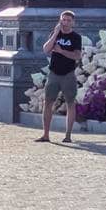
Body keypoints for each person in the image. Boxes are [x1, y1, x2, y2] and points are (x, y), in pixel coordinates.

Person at [36, 10, 82, 145]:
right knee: (48, 103)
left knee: (70, 103)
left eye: (68, 20)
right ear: (60, 20)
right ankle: (45, 134)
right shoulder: (55, 34)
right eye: (63, 20)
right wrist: (56, 33)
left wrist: (61, 51)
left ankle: (68, 135)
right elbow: (46, 49)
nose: (65, 23)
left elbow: (77, 55)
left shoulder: (75, 37)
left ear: (73, 22)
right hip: (54, 74)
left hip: (68, 74)